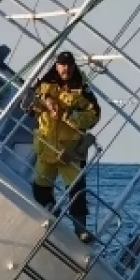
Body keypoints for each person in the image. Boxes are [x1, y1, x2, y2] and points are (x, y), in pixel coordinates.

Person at [30, 51, 100, 242]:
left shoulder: (82, 90)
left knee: (76, 189)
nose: (65, 68)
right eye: (62, 64)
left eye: (69, 65)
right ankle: (51, 211)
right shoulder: (43, 84)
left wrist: (70, 116)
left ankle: (80, 230)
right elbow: (30, 104)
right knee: (39, 186)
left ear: (73, 66)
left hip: (70, 151)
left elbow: (94, 116)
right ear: (56, 65)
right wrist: (43, 103)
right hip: (46, 147)